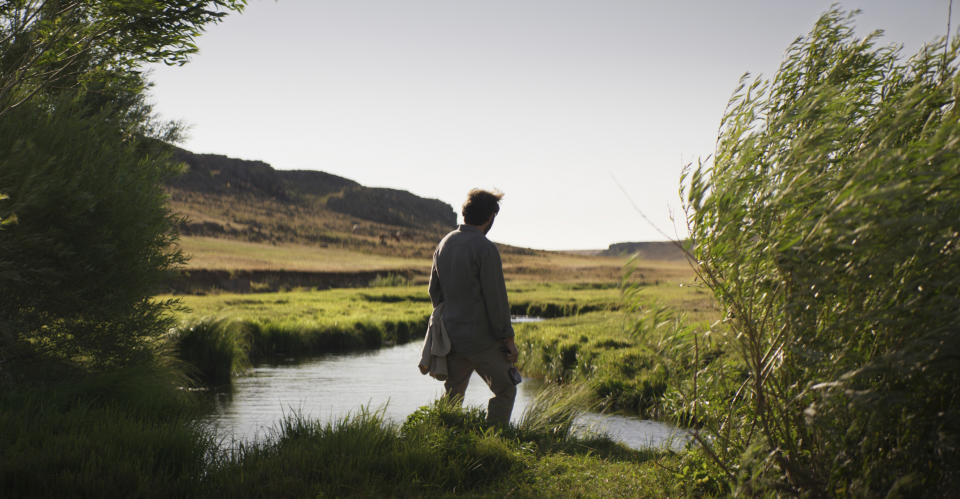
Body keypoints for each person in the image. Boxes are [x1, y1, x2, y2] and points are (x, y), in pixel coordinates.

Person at [427, 188, 518, 425]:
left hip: (453, 337)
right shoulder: (485, 248)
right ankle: (494, 440)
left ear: (465, 213)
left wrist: (449, 319)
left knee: (453, 394)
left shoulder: (444, 243)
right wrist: (507, 339)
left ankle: (445, 438)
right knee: (506, 389)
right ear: (490, 217)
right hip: (482, 340)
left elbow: (433, 291)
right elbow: (496, 300)